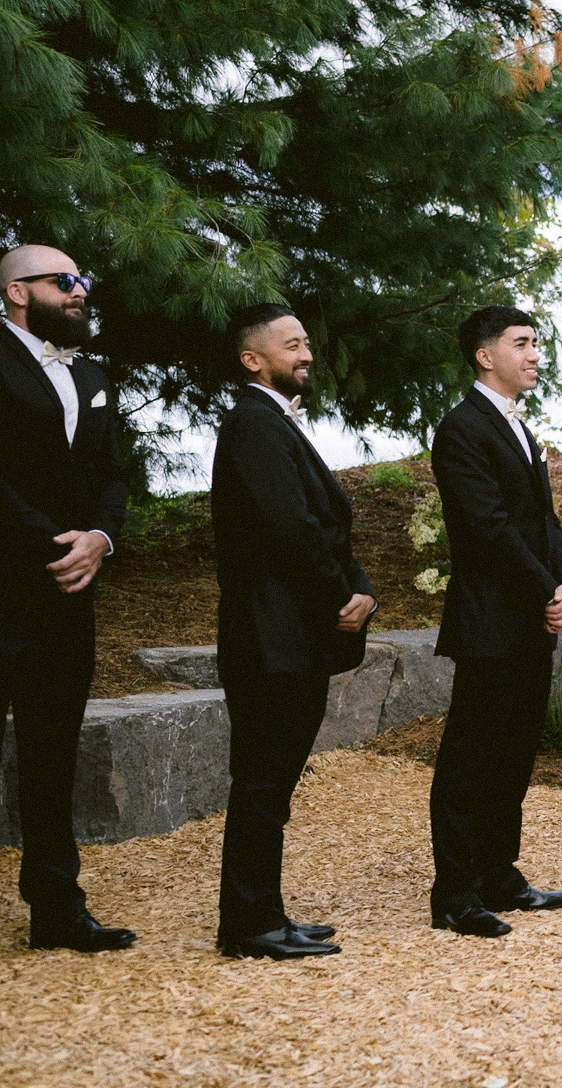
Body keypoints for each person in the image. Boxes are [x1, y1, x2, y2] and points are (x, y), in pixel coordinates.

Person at [211, 303, 378, 960]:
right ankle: (248, 925)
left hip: (290, 636)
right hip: (268, 636)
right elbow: (290, 529)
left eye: (307, 342)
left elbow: (324, 526)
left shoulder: (272, 422)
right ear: (254, 360)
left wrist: (361, 586)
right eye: (292, 345)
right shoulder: (253, 424)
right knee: (261, 782)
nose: (306, 354)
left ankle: (265, 912)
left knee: (272, 784)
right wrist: (342, 594)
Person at [427, 306, 562, 937]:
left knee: (515, 751)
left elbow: (542, 521)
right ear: (484, 356)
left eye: (537, 343)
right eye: (522, 344)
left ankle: (498, 873)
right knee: (472, 756)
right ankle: (455, 893)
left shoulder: (518, 427)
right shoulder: (463, 429)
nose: (535, 354)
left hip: (529, 616)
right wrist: (545, 586)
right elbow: (486, 527)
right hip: (491, 617)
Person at [0, 245, 135, 953]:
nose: (81, 290)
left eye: (84, 278)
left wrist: (101, 540)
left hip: (66, 599)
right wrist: (55, 544)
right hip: (6, 586)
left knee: (53, 758)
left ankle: (56, 910)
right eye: (65, 281)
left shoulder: (89, 372)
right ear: (18, 293)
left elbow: (113, 473)